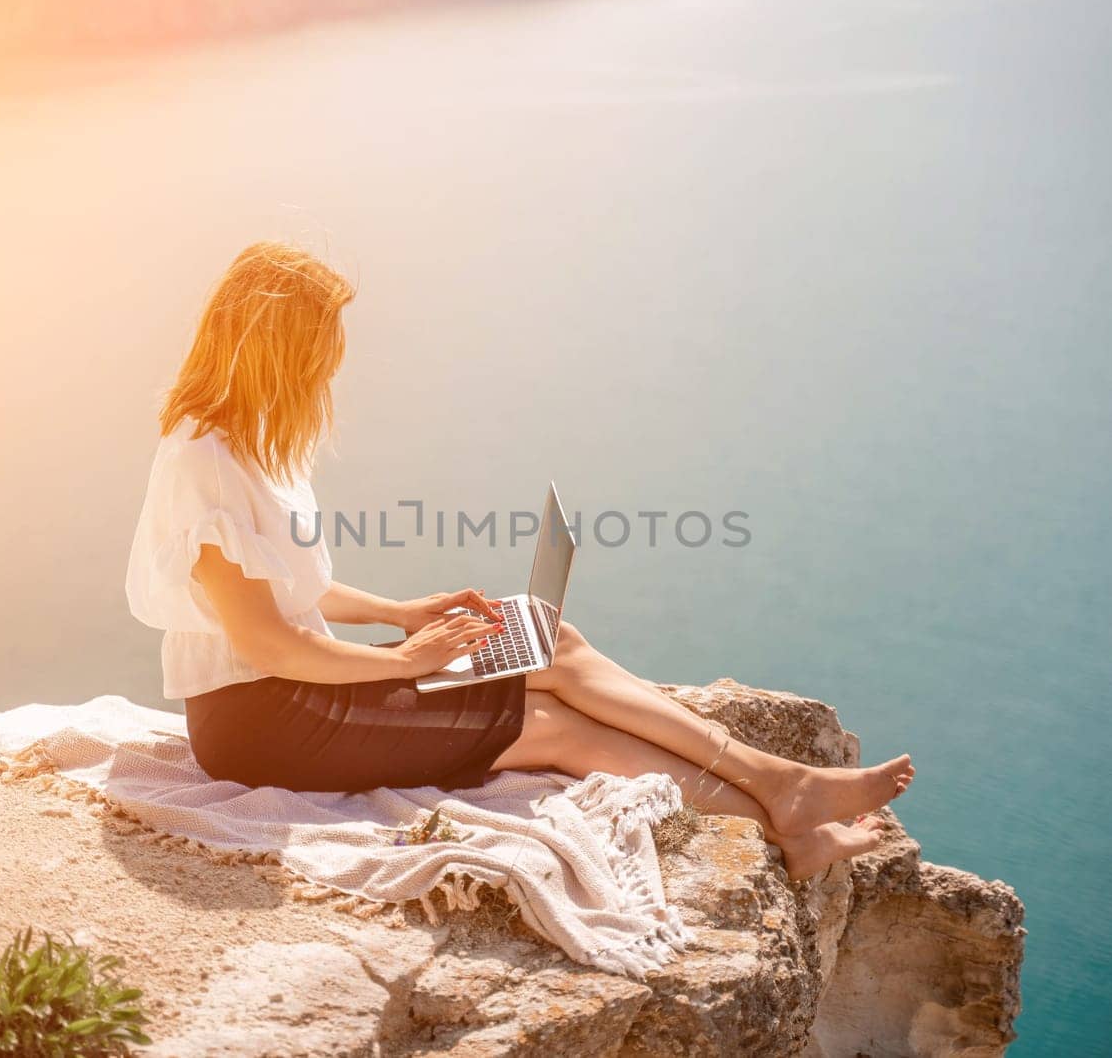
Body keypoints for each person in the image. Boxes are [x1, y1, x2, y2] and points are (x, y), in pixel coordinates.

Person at [125, 242, 914, 880]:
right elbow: (267, 644)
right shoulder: (206, 459)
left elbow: (293, 584)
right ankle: (788, 826)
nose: (333, 364)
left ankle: (783, 786)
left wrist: (402, 615)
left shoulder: (252, 440)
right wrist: (407, 661)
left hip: (300, 684)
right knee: (552, 725)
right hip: (265, 720)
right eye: (324, 345)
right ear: (281, 349)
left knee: (548, 640)